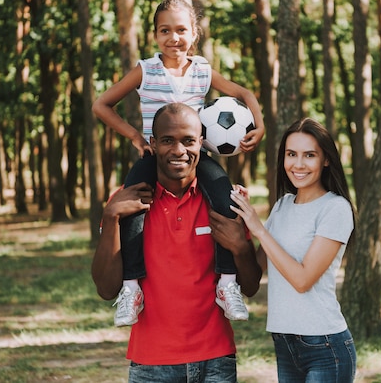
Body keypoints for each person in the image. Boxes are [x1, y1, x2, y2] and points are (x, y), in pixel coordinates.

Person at [92, 0, 265, 326]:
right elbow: (102, 104)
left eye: (181, 29)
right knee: (131, 212)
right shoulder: (146, 70)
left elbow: (246, 95)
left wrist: (261, 126)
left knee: (226, 203)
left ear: (194, 33)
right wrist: (134, 136)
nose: (173, 38)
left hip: (195, 157)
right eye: (164, 31)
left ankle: (227, 285)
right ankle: (130, 289)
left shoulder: (201, 69)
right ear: (155, 36)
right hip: (154, 156)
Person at [91, 103, 262, 382]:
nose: (179, 151)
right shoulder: (126, 202)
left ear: (201, 143)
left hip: (216, 360)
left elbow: (252, 286)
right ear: (153, 144)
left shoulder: (224, 202)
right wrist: (110, 217)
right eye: (168, 141)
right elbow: (106, 288)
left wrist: (241, 248)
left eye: (188, 141)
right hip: (151, 364)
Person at [229, 118, 357, 382]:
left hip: (325, 346)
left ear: (326, 160)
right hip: (285, 342)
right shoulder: (283, 205)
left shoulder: (335, 208)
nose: (298, 164)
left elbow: (302, 279)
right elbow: (254, 271)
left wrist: (260, 229)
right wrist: (242, 223)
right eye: (291, 154)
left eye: (309, 155)